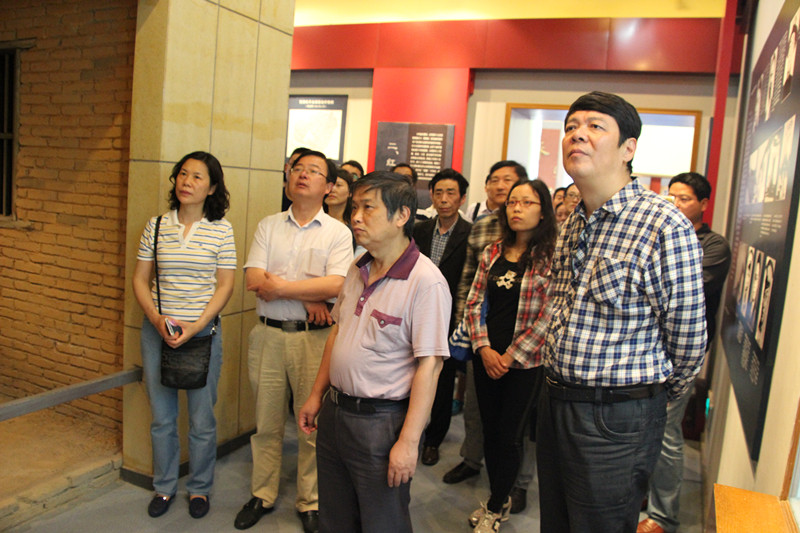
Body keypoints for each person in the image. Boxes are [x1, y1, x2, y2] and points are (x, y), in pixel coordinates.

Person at [537, 91, 707, 533]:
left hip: (615, 416)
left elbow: (689, 341)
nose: (577, 135)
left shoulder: (663, 224)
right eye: (571, 126)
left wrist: (647, 403)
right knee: (555, 520)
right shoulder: (573, 220)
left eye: (595, 126)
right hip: (555, 400)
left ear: (629, 148)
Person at [298, 171, 450, 533]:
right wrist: (317, 394)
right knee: (335, 518)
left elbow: (430, 367)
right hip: (336, 414)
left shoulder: (426, 282)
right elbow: (338, 332)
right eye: (354, 208)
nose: (356, 217)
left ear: (402, 216)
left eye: (368, 208)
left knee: (383, 521)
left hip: (380, 423)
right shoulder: (358, 266)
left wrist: (408, 442)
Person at [236, 150, 354, 533]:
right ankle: (262, 494)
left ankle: (310, 501)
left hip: (313, 341)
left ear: (329, 186)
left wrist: (283, 287)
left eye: (313, 170)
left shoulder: (338, 233)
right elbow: (254, 279)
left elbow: (336, 285)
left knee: (310, 424)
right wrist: (308, 295)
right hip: (267, 335)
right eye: (297, 168)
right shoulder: (268, 225)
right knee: (266, 423)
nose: (302, 174)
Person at [132, 151, 236, 520]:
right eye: (182, 174)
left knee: (201, 419)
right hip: (157, 331)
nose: (186, 182)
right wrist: (157, 319)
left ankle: (200, 488)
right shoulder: (157, 225)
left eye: (196, 177)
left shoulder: (221, 230)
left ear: (212, 188)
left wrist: (196, 325)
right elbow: (140, 279)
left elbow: (225, 285)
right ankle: (164, 487)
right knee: (162, 417)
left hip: (202, 332)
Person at [637, 172, 731, 533]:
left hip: (681, 352)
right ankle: (647, 492)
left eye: (685, 198)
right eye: (671, 196)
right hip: (646, 346)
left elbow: (681, 291)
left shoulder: (714, 245)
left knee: (666, 432)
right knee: (642, 427)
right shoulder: (658, 234)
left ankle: (663, 516)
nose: (675, 204)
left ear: (703, 204)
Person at [465, 179, 556, 533]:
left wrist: (510, 356)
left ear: (543, 211)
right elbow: (474, 302)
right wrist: (484, 348)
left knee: (509, 435)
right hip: (486, 356)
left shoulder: (551, 257)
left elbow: (549, 315)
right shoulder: (492, 251)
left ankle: (494, 507)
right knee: (489, 431)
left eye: (527, 203)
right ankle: (497, 497)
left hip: (525, 363)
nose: (517, 208)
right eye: (513, 202)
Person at [443, 161, 530, 513]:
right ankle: (473, 461)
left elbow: (546, 310)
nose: (500, 186)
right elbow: (470, 286)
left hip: (523, 353)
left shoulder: (546, 246)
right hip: (482, 340)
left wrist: (510, 354)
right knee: (477, 409)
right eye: (494, 180)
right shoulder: (485, 233)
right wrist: (473, 337)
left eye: (508, 181)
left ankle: (516, 484)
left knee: (516, 425)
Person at [413, 169, 472, 467]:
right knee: (412, 372)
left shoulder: (471, 234)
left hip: (449, 317)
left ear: (462, 198)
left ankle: (433, 440)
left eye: (451, 193)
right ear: (431, 196)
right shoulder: (419, 230)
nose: (444, 199)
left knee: (443, 379)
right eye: (438, 193)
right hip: (417, 312)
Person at [282, 147, 310, 211]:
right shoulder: (275, 196)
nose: (301, 173)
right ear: (286, 168)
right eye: (294, 165)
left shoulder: (317, 201)